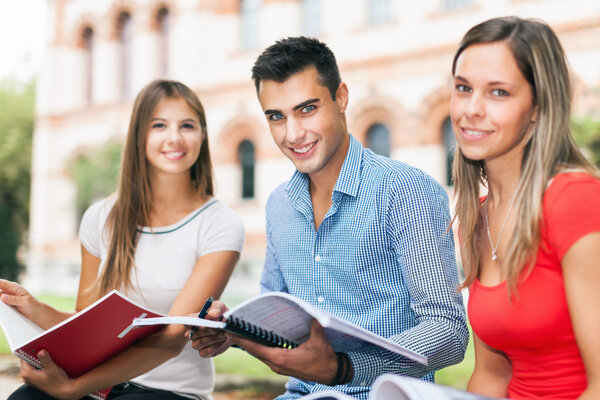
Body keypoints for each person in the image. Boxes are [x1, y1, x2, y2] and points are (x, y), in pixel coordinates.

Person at [190, 37, 468, 399]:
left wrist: (344, 368)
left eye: (306, 109)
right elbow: (278, 320)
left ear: (341, 98)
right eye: (277, 116)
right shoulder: (278, 206)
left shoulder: (404, 190)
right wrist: (234, 331)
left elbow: (448, 330)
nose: (293, 134)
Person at [1, 79, 245, 400]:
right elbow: (85, 329)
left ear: (202, 135)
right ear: (139, 135)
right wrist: (34, 309)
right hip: (100, 387)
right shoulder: (100, 217)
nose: (174, 137)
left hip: (171, 392)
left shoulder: (220, 224)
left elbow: (172, 339)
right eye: (159, 125)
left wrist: (73, 389)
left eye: (187, 125)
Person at [450, 16, 600, 399]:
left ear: (537, 107)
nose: (471, 109)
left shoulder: (576, 201)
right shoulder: (479, 217)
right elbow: (492, 374)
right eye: (463, 88)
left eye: (498, 92)